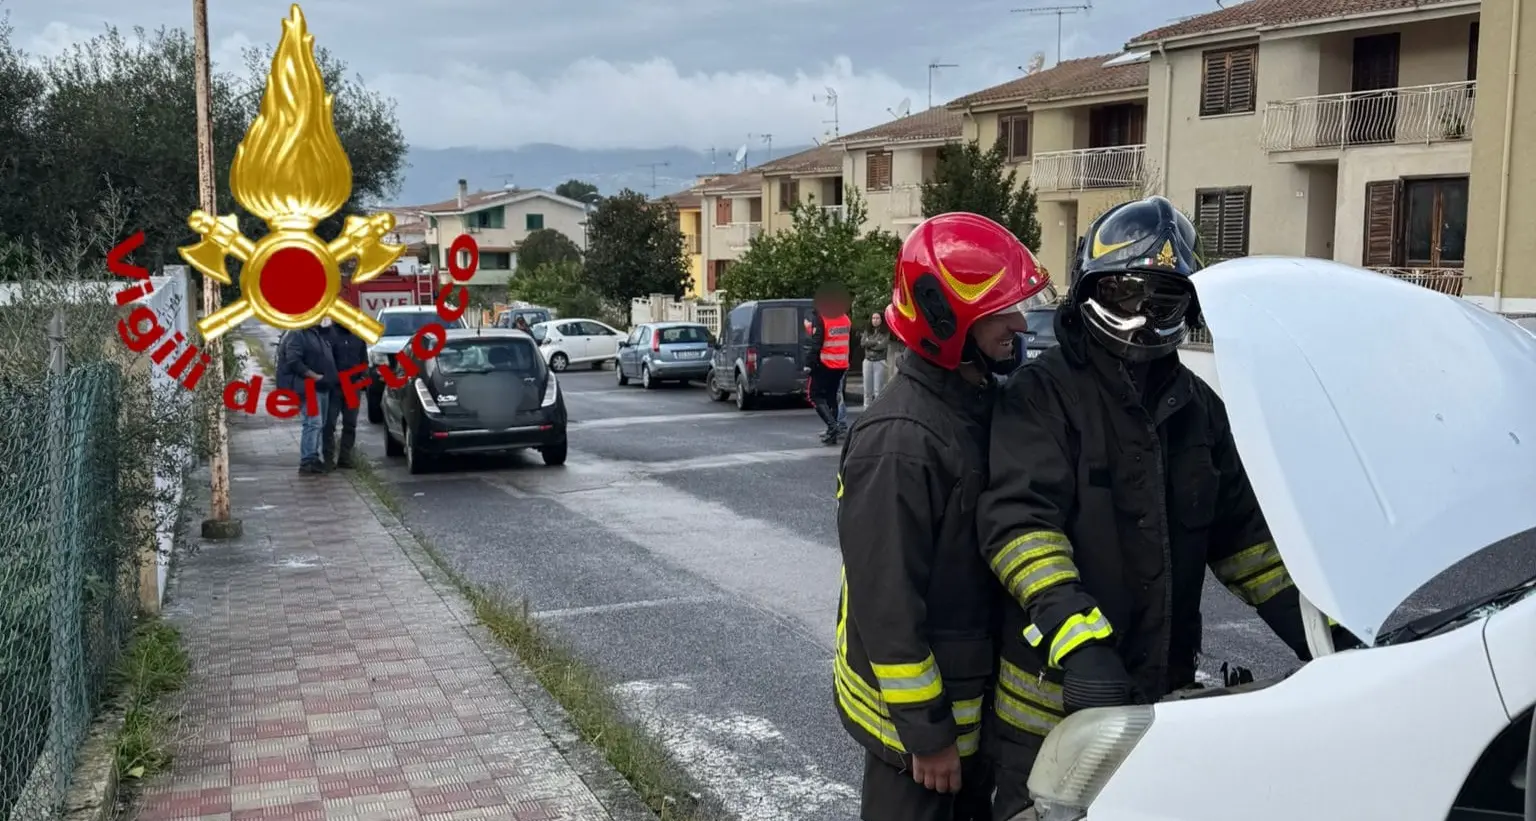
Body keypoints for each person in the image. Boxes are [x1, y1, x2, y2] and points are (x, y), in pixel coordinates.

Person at [977, 196, 1356, 820]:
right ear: (1089, 289)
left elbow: (1248, 545)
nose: (1144, 316)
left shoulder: (1199, 410)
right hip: (1052, 706)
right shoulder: (1042, 397)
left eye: (1164, 299)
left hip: (1160, 704)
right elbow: (1020, 528)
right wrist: (1081, 644)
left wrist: (1319, 630)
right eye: (1126, 294)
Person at [834, 212, 1056, 821]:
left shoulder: (976, 406)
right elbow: (888, 606)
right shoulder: (900, 440)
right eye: (1000, 312)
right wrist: (928, 737)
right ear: (944, 319)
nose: (1019, 323)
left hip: (966, 715)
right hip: (922, 745)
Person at [277, 321, 339, 475]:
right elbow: (294, 361)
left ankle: (313, 458)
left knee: (320, 423)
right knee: (313, 422)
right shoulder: (297, 333)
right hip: (307, 387)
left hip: (322, 386)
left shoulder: (316, 333)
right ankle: (307, 461)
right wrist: (315, 377)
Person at [802, 284, 853, 445]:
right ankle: (833, 430)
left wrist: (809, 363)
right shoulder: (845, 318)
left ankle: (832, 427)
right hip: (841, 364)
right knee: (831, 397)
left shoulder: (822, 317)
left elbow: (817, 342)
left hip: (825, 363)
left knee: (814, 395)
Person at [321, 318, 366, 469]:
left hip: (353, 386)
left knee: (350, 424)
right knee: (329, 424)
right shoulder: (329, 335)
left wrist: (362, 377)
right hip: (335, 387)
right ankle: (328, 459)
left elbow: (363, 359)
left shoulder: (358, 336)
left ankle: (345, 458)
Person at [859, 311, 890, 408]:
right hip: (868, 361)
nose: (875, 320)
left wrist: (870, 343)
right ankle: (866, 411)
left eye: (877, 318)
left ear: (881, 320)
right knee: (867, 390)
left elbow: (882, 346)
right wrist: (875, 342)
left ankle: (877, 411)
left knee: (878, 390)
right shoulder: (867, 331)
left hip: (879, 362)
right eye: (873, 318)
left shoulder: (885, 332)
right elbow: (863, 343)